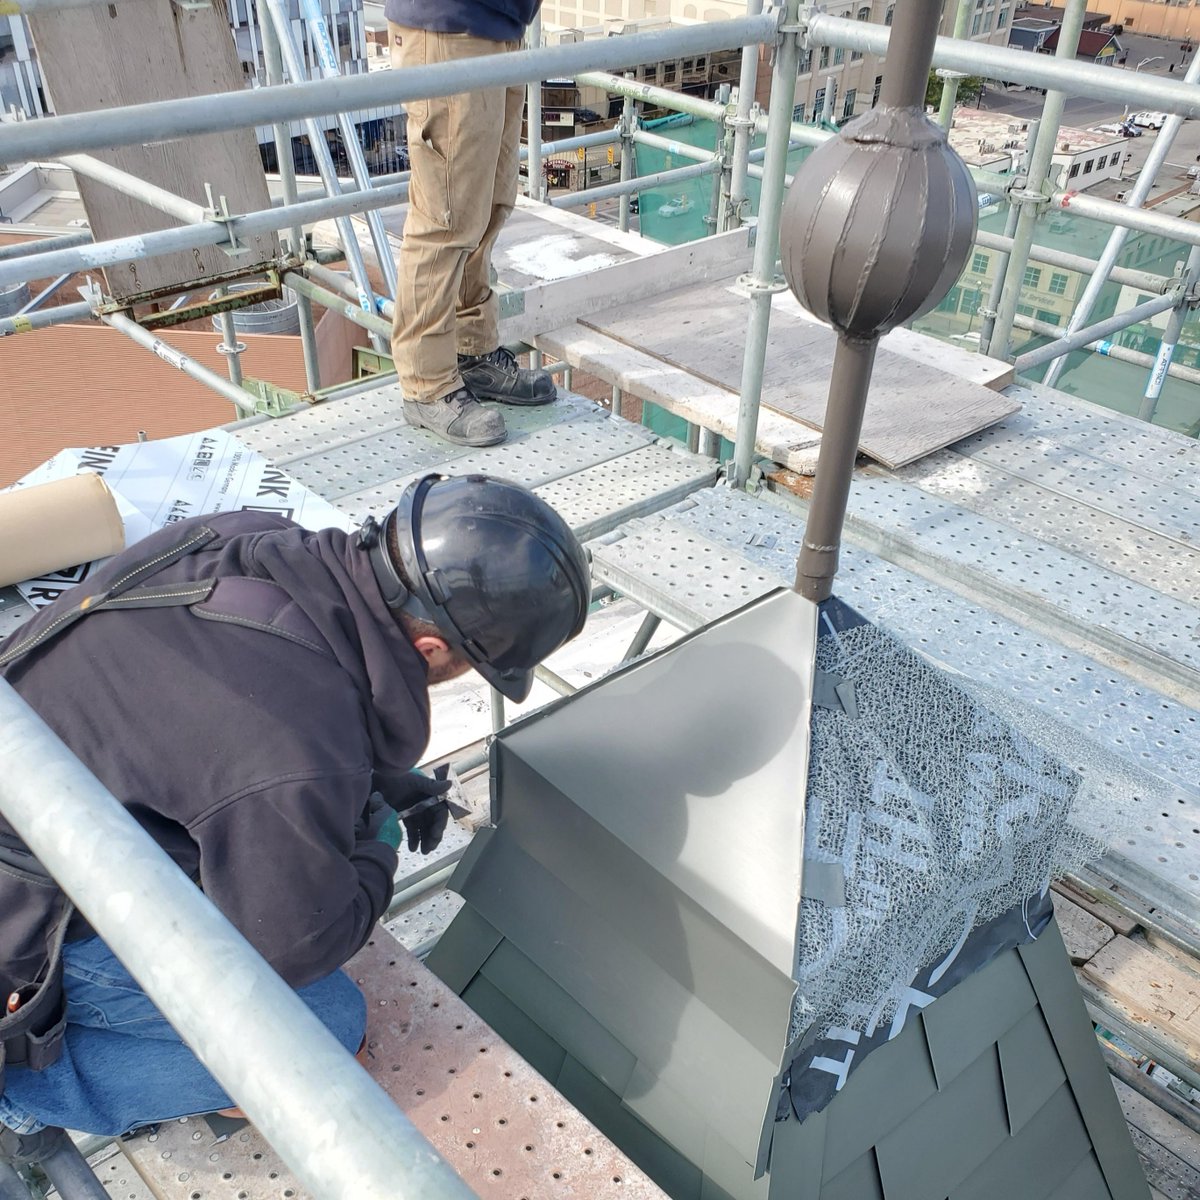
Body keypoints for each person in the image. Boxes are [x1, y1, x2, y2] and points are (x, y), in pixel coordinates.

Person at [0, 473, 589, 1138]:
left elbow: (229, 721)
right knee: (326, 1028)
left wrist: (376, 780)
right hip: (23, 919)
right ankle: (27, 1090)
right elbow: (297, 943)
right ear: (432, 651)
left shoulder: (250, 536)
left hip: (35, 785)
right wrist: (376, 850)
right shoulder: (296, 750)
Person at [386, 1, 553, 448]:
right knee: (445, 218)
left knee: (489, 203)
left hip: (500, 27)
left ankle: (473, 350)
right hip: (449, 28)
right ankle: (427, 384)